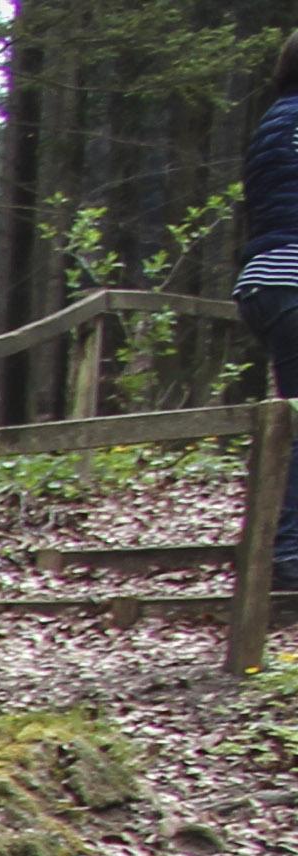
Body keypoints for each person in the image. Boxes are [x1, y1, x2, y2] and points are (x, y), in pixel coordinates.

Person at [256, 31, 298, 595]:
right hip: (293, 280)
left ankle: (286, 546)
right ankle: (288, 551)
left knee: (291, 420)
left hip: (263, 281)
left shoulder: (272, 122)